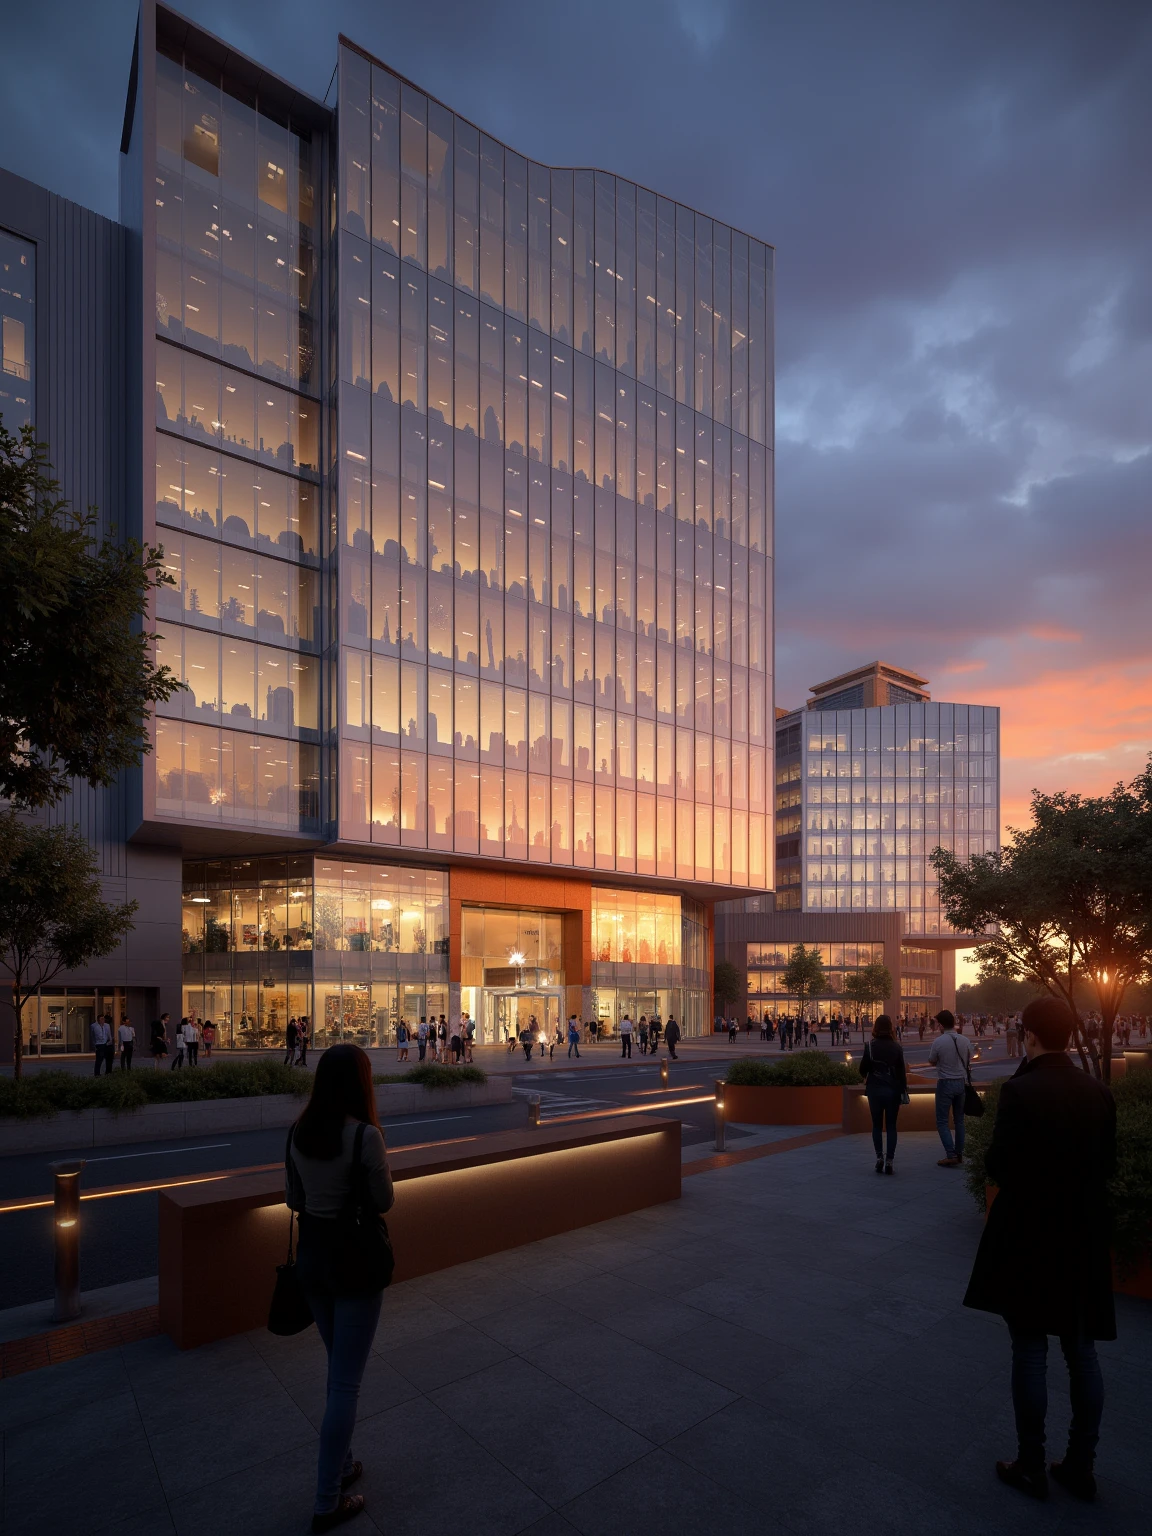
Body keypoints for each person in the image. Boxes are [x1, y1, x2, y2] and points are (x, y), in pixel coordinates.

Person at [964, 998, 1116, 1503]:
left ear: (1029, 1034)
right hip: (1082, 1234)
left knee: (1029, 1350)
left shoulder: (1020, 1091)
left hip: (1029, 1233)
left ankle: (1031, 1463)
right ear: (1072, 1034)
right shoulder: (1098, 1092)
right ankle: (1081, 1464)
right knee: (1081, 1351)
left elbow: (999, 1165)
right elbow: (1107, 1165)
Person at [285, 1044, 394, 1532]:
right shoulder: (365, 1137)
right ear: (360, 1083)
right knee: (345, 1383)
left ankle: (345, 1463)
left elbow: (293, 1199)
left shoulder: (297, 1132)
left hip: (312, 1261)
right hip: (355, 1263)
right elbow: (384, 1201)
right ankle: (327, 1500)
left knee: (337, 1367)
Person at [859, 1014, 907, 1174]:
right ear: (891, 1028)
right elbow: (902, 1073)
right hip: (893, 1090)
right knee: (892, 1126)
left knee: (877, 1125)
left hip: (874, 1090)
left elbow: (862, 1070)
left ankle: (879, 1157)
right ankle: (890, 1160)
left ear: (876, 1028)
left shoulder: (870, 1046)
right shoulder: (897, 1047)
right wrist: (902, 1091)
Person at [929, 1009, 972, 1166]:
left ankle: (950, 1154)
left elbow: (932, 1060)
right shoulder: (964, 1040)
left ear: (940, 1024)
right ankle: (959, 1153)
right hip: (961, 1082)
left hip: (945, 1082)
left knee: (942, 1121)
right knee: (959, 1120)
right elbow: (969, 1060)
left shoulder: (938, 1042)